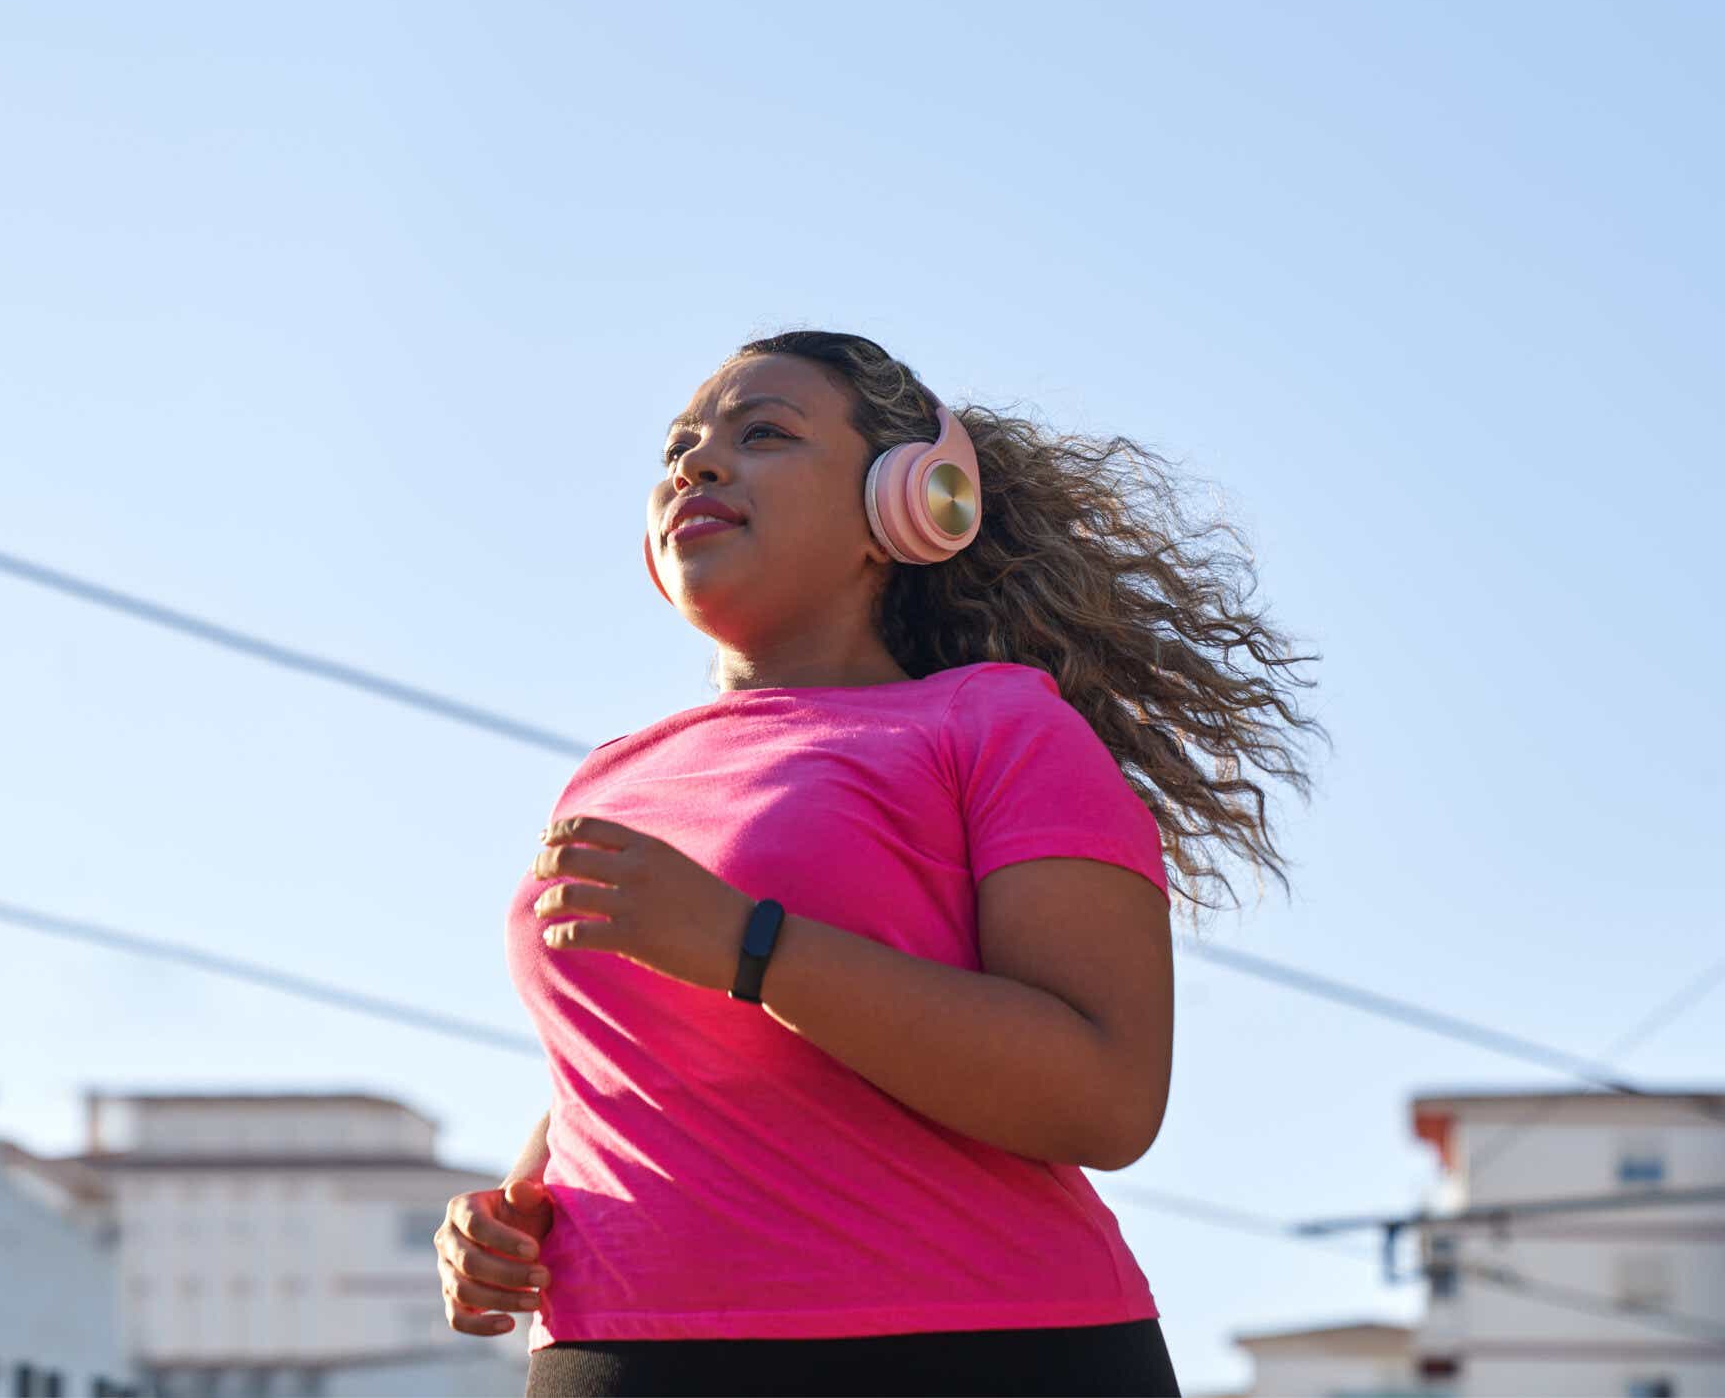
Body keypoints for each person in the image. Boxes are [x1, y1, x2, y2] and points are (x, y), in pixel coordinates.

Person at [433, 331, 1319, 1397]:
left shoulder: (997, 726)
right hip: (617, 1350)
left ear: (905, 505)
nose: (696, 464)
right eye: (680, 446)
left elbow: (1107, 1093)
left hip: (971, 1350)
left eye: (762, 433)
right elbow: (630, 1059)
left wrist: (749, 944)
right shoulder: (605, 777)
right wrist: (515, 1204)